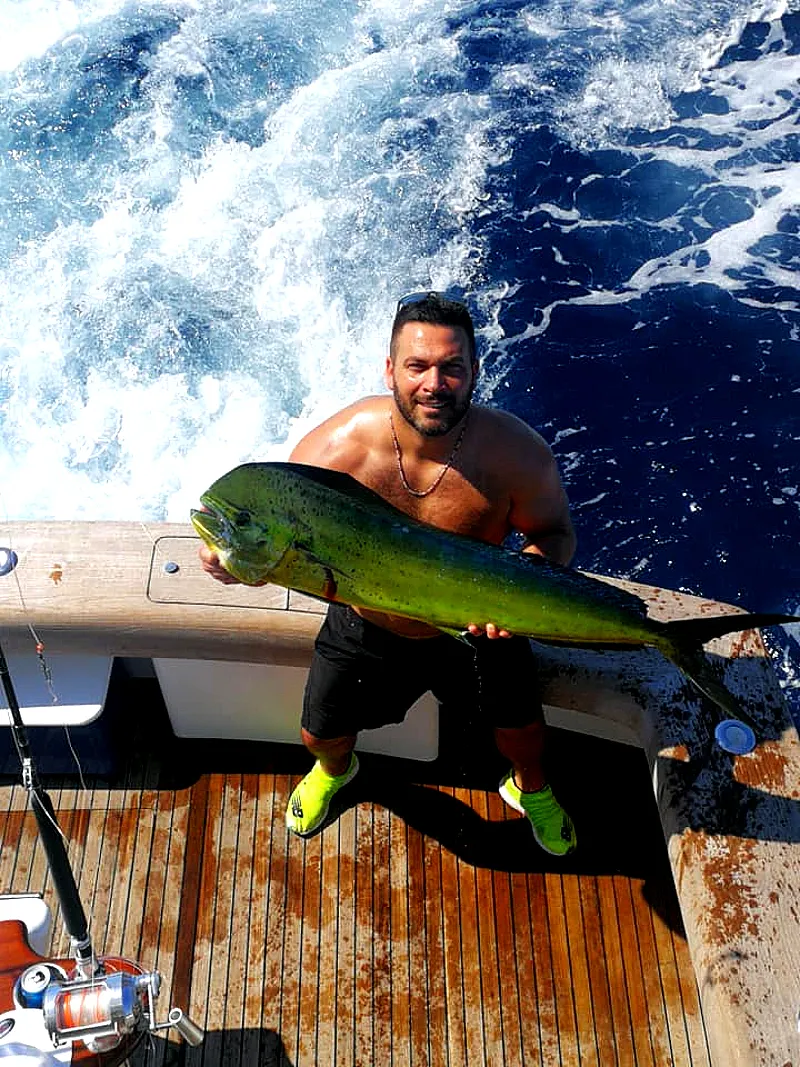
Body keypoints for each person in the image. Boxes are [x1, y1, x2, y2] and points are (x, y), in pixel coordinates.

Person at [199, 291, 577, 856]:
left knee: (522, 733)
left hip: (477, 627)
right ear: (389, 369)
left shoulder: (516, 454)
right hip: (368, 624)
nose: (434, 383)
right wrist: (230, 563)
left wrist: (521, 584)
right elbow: (271, 527)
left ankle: (531, 788)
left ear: (474, 371)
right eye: (417, 366)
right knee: (319, 733)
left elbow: (556, 535)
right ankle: (338, 771)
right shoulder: (341, 445)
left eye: (452, 368)